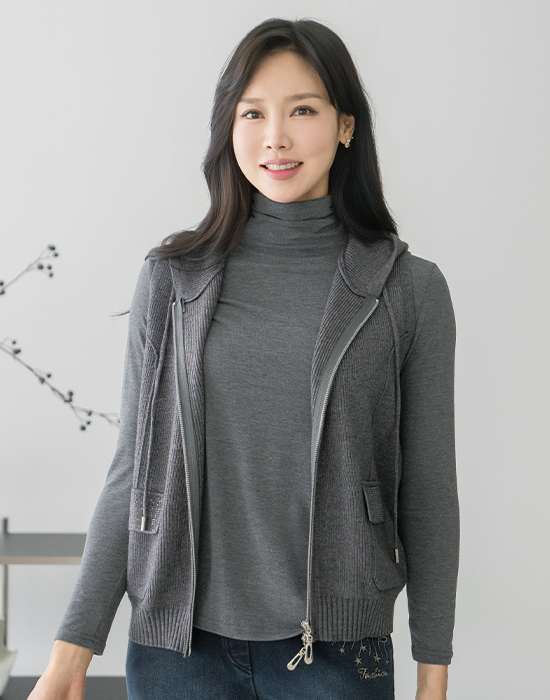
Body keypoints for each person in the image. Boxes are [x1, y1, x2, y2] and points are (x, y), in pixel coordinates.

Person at [28, 17, 459, 700]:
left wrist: (433, 670)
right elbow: (132, 473)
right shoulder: (172, 280)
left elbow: (428, 489)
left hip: (339, 657)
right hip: (177, 655)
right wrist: (70, 654)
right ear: (229, 128)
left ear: (346, 125)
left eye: (303, 111)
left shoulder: (408, 290)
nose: (275, 137)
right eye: (252, 113)